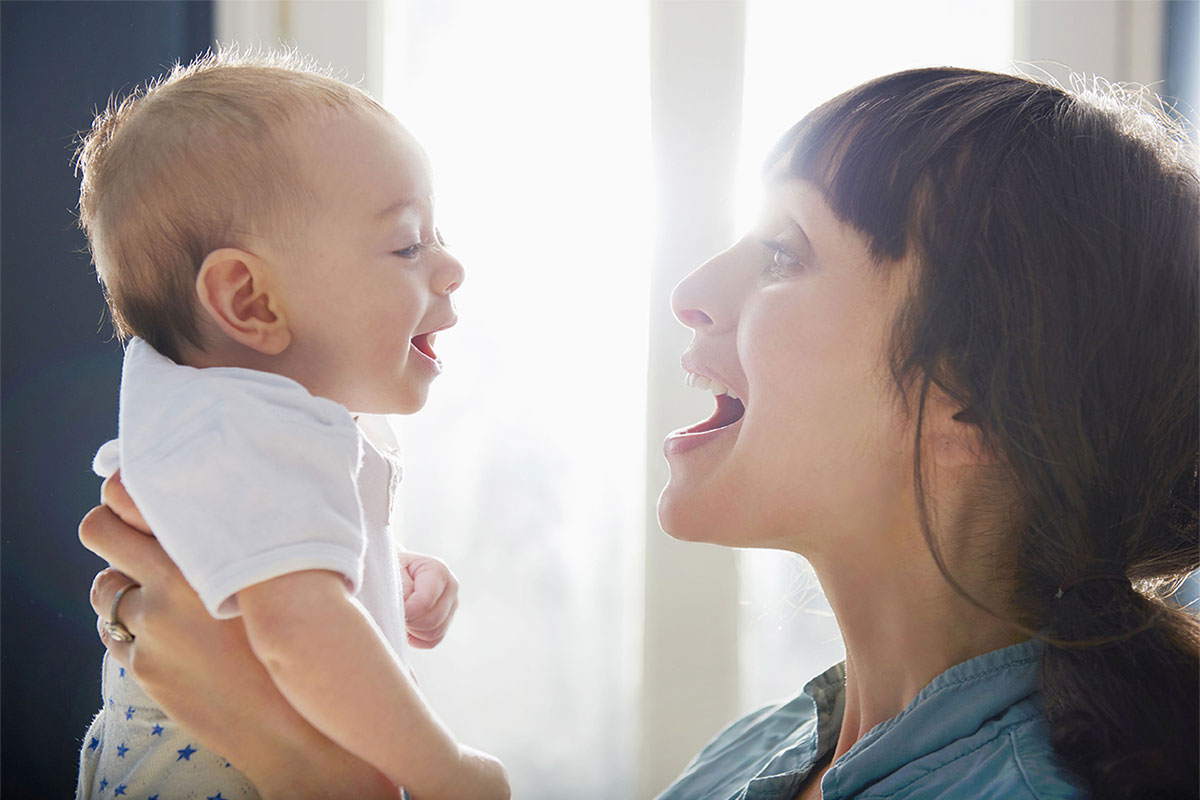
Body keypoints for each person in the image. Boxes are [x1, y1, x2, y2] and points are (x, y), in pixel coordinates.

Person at [80, 67, 1198, 799]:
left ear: (982, 398)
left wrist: (299, 759)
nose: (693, 292)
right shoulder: (757, 755)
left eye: (783, 254)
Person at [73, 50, 509, 800]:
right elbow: (296, 631)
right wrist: (448, 772)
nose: (451, 267)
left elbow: (275, 579)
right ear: (251, 301)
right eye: (408, 244)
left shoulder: (237, 429)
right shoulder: (240, 429)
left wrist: (380, 566)